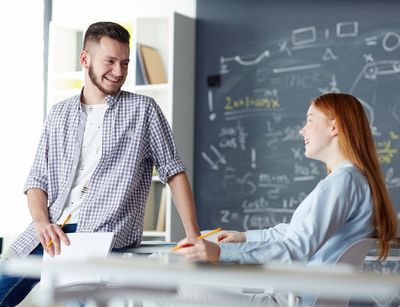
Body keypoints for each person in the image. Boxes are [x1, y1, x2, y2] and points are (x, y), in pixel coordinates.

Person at [0, 21, 200, 306]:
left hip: (100, 236)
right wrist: (42, 222)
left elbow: (173, 171)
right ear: (85, 59)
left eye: (125, 63)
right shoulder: (59, 114)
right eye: (110, 61)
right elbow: (37, 180)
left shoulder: (144, 110)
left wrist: (194, 235)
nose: (119, 72)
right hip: (47, 231)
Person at [173, 93, 397, 306]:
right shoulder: (352, 180)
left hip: (289, 300)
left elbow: (297, 248)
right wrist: (242, 237)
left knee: (176, 289)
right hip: (291, 296)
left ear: (334, 127)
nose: (302, 130)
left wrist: (220, 253)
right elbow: (297, 232)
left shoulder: (343, 181)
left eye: (310, 120)